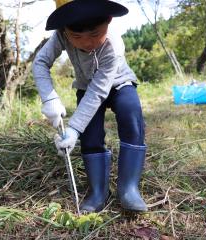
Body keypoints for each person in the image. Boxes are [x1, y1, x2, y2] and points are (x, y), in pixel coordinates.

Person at [32, 0, 147, 213]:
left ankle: (129, 188)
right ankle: (98, 192)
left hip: (118, 83)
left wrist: (74, 128)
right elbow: (40, 63)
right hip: (86, 87)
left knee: (131, 114)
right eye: (76, 37)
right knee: (90, 136)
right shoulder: (60, 35)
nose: (87, 43)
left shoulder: (113, 46)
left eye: (95, 34)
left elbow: (99, 91)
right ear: (65, 30)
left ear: (109, 21)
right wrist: (49, 98)